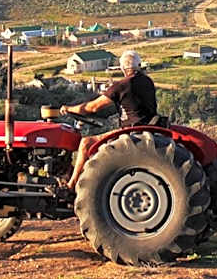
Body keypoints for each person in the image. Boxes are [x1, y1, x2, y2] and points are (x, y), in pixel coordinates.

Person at [61, 49, 157, 189]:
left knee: (86, 143)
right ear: (138, 66)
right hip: (146, 127)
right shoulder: (148, 81)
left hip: (131, 132)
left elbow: (92, 108)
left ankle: (71, 185)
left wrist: (68, 109)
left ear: (123, 68)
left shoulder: (122, 85)